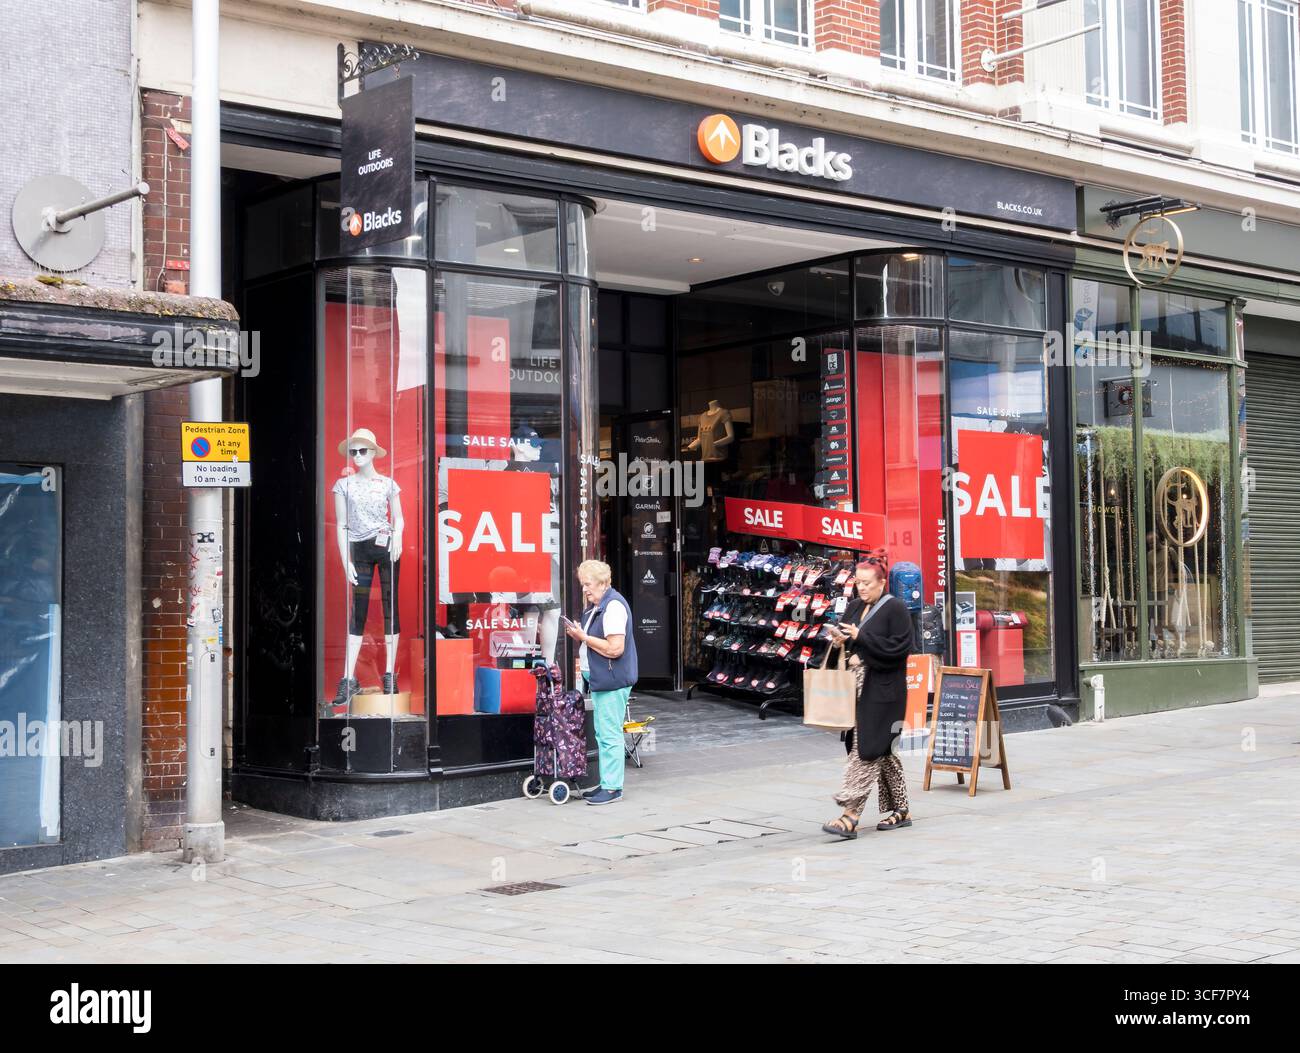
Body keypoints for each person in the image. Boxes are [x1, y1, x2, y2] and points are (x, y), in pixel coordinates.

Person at [821, 556, 915, 839]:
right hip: (856, 690)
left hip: (884, 691)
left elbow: (899, 650)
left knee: (866, 749)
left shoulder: (896, 609)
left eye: (867, 583)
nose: (861, 588)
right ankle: (902, 810)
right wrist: (840, 640)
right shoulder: (854, 606)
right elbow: (852, 642)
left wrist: (862, 638)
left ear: (882, 583)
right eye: (857, 582)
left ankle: (850, 815)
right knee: (882, 751)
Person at [564, 560, 638, 805]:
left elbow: (616, 648)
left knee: (609, 735)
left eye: (588, 584)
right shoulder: (596, 607)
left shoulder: (613, 606)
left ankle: (613, 787)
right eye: (583, 584)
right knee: (603, 733)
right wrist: (581, 635)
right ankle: (607, 783)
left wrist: (583, 637)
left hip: (612, 680)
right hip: (601, 680)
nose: (585, 589)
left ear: (603, 583)